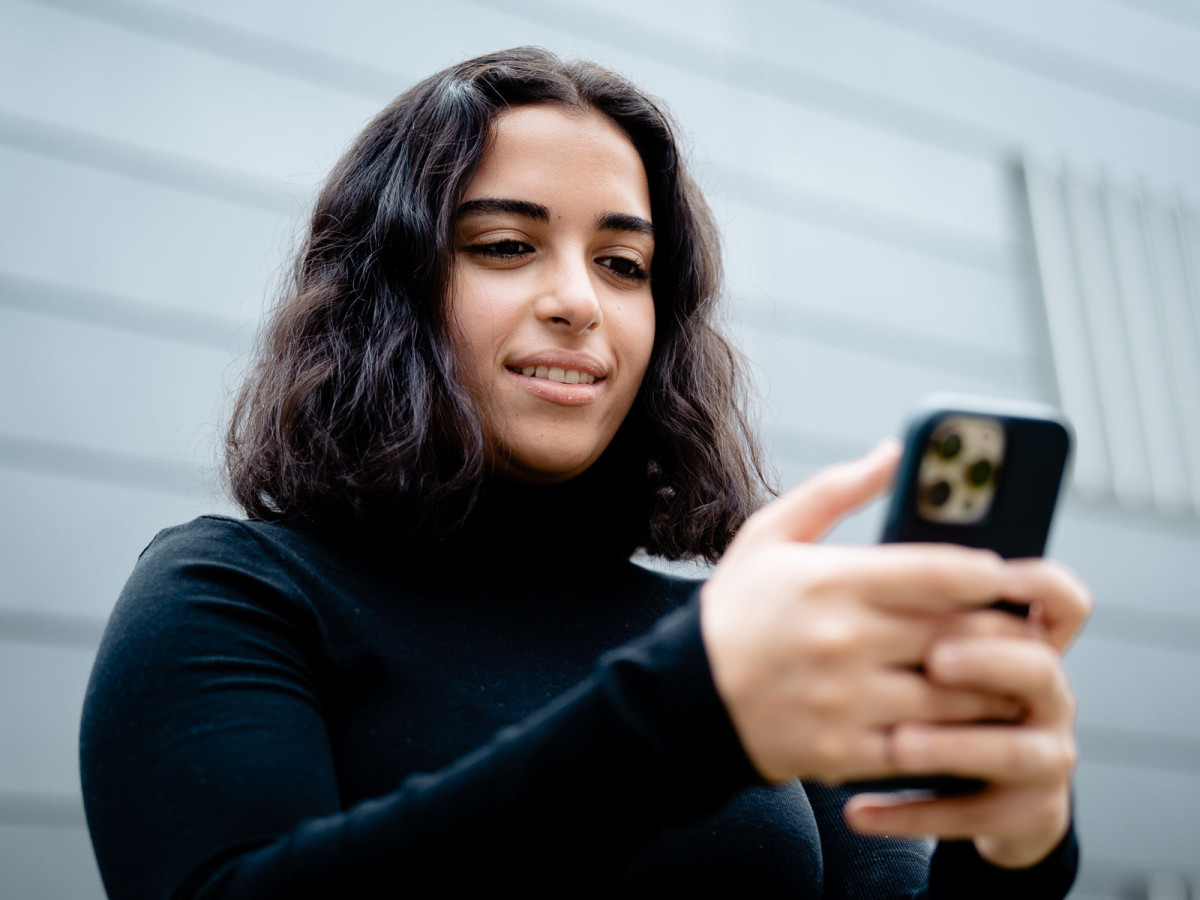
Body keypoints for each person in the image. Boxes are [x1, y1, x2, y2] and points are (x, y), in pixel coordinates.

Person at [80, 47, 1090, 897]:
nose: (580, 301)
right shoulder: (232, 593)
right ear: (388, 295)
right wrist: (680, 720)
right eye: (508, 244)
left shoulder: (736, 647)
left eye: (623, 264)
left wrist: (1013, 843)